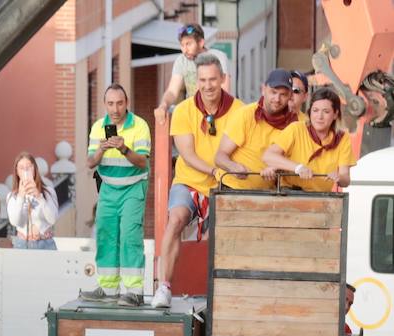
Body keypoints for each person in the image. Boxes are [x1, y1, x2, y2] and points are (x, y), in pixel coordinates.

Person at [153, 54, 244, 310]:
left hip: (225, 186)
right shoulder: (183, 110)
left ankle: (226, 291)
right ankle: (164, 286)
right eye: (202, 80)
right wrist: (216, 171)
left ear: (223, 79)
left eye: (212, 79)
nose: (207, 85)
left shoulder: (239, 110)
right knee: (176, 219)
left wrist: (226, 175)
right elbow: (188, 155)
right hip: (191, 181)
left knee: (227, 233)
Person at [85, 83, 151, 302]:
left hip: (133, 186)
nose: (115, 109)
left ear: (127, 104)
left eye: (120, 103)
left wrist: (124, 148)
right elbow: (90, 163)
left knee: (130, 236)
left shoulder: (139, 126)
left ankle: (134, 291)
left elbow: (142, 162)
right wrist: (101, 150)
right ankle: (108, 288)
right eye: (111, 104)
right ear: (105, 105)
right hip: (108, 188)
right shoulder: (97, 127)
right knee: (105, 234)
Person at [215, 68, 298, 191]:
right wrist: (233, 167)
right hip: (232, 188)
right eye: (273, 92)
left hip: (268, 194)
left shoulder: (294, 124)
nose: (277, 99)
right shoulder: (245, 114)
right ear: (263, 89)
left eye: (283, 94)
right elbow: (220, 156)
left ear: (290, 96)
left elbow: (293, 162)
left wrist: (276, 169)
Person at [262, 86, 354, 191]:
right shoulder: (296, 128)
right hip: (289, 193)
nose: (319, 116)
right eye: (315, 110)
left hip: (321, 197)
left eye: (326, 111)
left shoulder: (342, 137)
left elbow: (345, 179)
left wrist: (339, 177)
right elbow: (268, 156)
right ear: (310, 112)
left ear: (335, 114)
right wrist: (298, 168)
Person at [156, 23, 231, 112]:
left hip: (216, 111)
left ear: (201, 43)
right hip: (192, 113)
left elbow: (224, 90)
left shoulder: (218, 57)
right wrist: (163, 105)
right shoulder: (181, 61)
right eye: (182, 45)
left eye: (188, 44)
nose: (184, 50)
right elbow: (172, 91)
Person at [6, 152, 57, 250]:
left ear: (34, 169)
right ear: (17, 171)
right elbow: (14, 221)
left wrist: (39, 197)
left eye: (29, 167)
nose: (25, 170)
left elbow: (52, 219)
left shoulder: (48, 192)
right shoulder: (12, 196)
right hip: (22, 244)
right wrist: (21, 197)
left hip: (46, 244)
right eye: (21, 168)